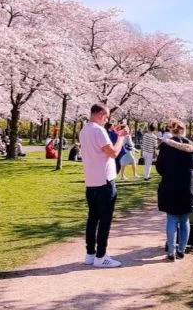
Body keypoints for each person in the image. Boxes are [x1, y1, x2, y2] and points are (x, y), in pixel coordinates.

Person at [81, 104, 127, 268]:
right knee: (105, 220)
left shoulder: (85, 129)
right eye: (106, 117)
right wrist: (121, 137)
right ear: (100, 114)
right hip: (104, 180)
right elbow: (113, 153)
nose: (107, 120)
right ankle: (101, 256)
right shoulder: (98, 131)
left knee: (93, 218)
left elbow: (100, 147)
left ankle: (90, 253)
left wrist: (114, 133)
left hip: (91, 180)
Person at [155, 119, 193, 261]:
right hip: (188, 187)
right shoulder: (192, 147)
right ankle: (181, 250)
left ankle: (171, 251)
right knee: (184, 219)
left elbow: (159, 167)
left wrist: (168, 174)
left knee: (171, 219)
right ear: (184, 130)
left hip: (171, 186)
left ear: (171, 131)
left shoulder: (166, 147)